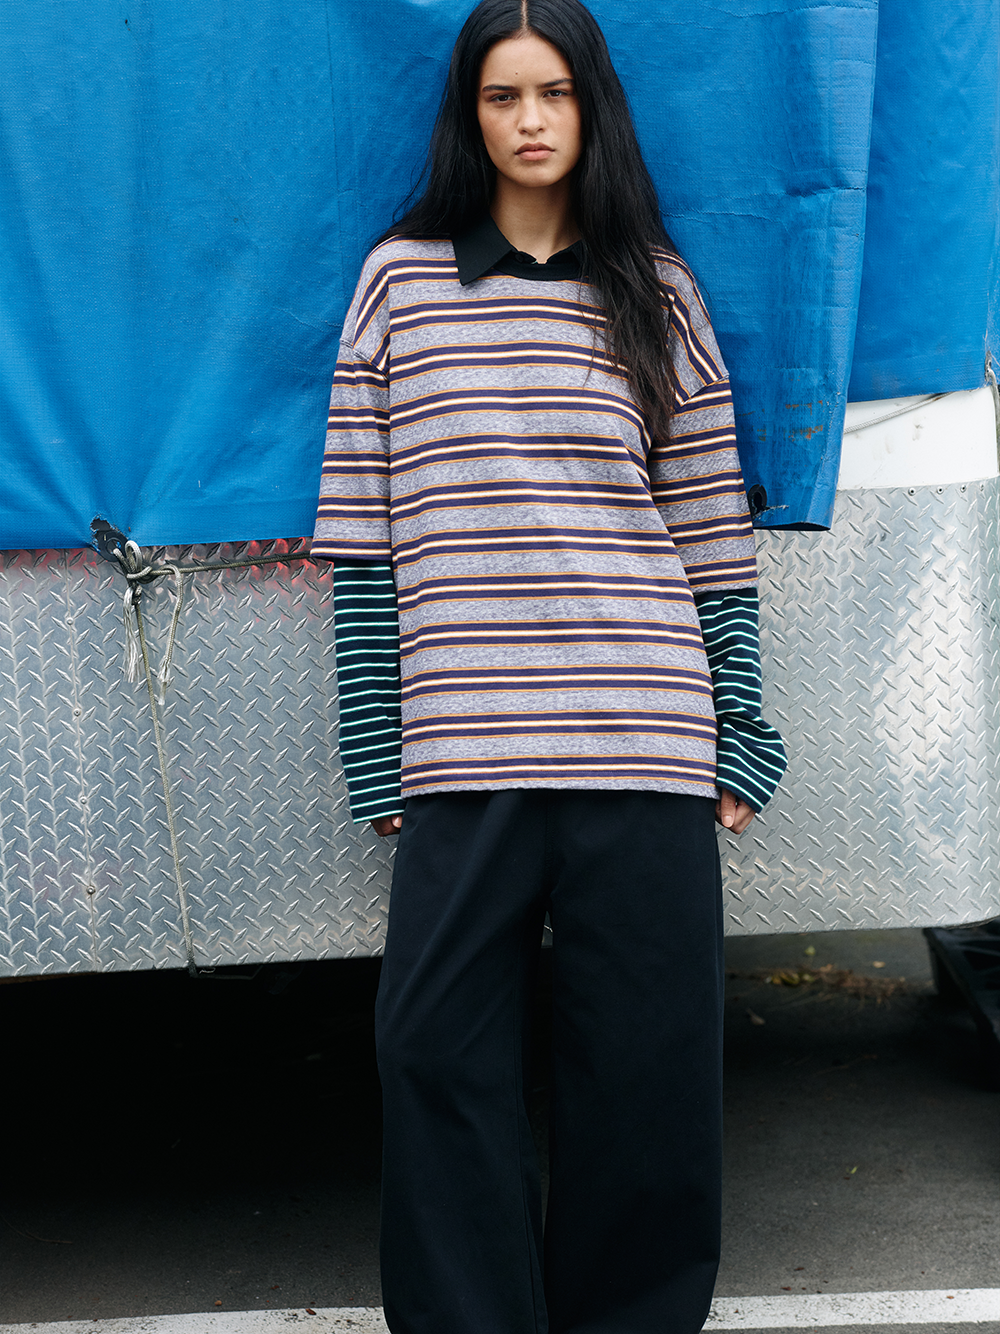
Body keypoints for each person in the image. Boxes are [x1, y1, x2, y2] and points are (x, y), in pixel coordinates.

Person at [312, 2, 786, 1330]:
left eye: (555, 93)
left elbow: (707, 537)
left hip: (641, 735)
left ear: (593, 109)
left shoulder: (658, 288)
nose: (529, 120)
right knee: (431, 1051)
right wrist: (374, 747)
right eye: (503, 96)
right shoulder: (398, 284)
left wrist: (739, 727)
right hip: (465, 751)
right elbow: (364, 541)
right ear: (468, 115)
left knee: (645, 1070)